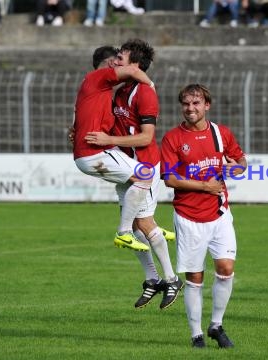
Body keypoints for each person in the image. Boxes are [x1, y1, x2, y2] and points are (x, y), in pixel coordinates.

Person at [83, 39, 183, 310]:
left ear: (135, 65)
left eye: (121, 57)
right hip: (126, 165)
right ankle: (153, 278)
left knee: (144, 224)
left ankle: (171, 279)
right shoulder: (120, 91)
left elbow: (146, 137)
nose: (116, 60)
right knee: (138, 226)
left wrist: (106, 140)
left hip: (145, 166)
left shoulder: (144, 92)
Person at [161, 84, 247, 348]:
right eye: (186, 104)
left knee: (226, 269)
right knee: (195, 278)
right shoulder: (173, 138)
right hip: (189, 217)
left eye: (196, 103)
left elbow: (241, 162)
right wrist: (204, 186)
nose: (190, 108)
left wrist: (237, 169)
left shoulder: (221, 134)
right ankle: (196, 334)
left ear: (207, 105)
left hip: (219, 213)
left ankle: (216, 326)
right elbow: (170, 179)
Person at [72, 45, 155, 252]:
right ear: (111, 64)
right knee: (145, 175)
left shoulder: (100, 90)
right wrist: (151, 86)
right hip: (94, 153)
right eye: (117, 59)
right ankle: (125, 232)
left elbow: (80, 115)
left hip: (92, 153)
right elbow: (134, 71)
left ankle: (147, 225)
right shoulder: (98, 77)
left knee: (133, 183)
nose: (119, 63)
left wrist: (75, 131)